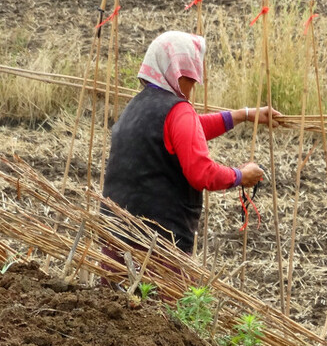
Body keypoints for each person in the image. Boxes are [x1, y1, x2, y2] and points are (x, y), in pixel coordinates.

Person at [102, 29, 281, 253]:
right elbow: (201, 173)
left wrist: (243, 115)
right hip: (159, 243)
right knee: (160, 290)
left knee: (114, 289)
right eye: (190, 77)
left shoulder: (135, 107)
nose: (193, 85)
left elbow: (186, 132)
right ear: (177, 72)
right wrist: (240, 176)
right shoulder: (177, 110)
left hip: (115, 234)